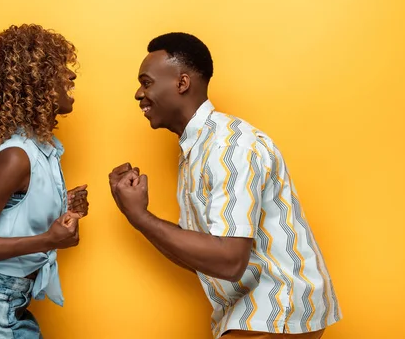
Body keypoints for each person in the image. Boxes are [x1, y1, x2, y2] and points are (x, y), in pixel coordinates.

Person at [109, 32, 341, 338]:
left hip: (279, 304)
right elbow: (202, 257)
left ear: (181, 83)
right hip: (250, 309)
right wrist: (138, 216)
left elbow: (229, 260)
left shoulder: (229, 148)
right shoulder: (198, 150)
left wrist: (140, 217)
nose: (139, 93)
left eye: (147, 82)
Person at [0, 24, 89, 338]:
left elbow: (14, 215)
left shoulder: (43, 152)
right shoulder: (15, 156)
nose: (71, 76)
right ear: (37, 82)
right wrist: (49, 240)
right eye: (59, 68)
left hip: (7, 302)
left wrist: (64, 205)